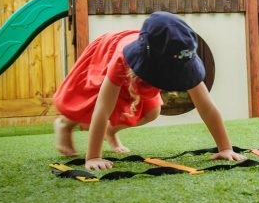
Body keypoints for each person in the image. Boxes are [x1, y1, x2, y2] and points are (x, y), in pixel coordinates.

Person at [54, 11, 246, 170]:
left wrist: (225, 148)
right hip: (110, 52)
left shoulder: (180, 54)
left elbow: (207, 107)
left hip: (152, 60)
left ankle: (110, 131)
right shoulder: (122, 60)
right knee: (88, 103)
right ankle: (65, 124)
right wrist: (93, 157)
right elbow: (103, 108)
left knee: (153, 111)